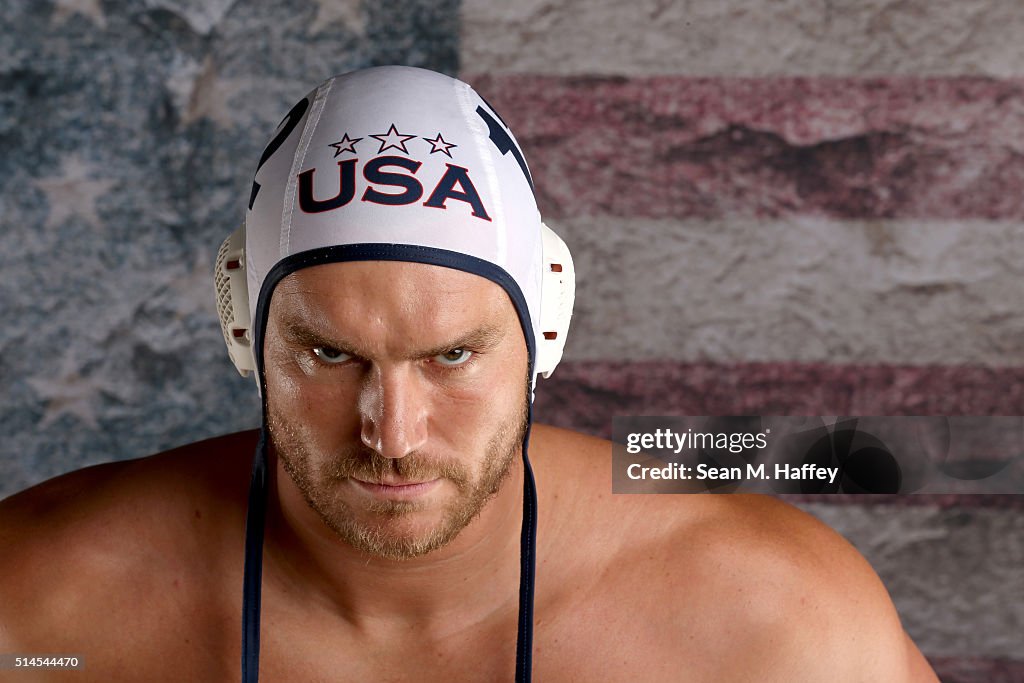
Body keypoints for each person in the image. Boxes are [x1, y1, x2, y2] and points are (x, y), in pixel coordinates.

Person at [0, 66, 938, 682]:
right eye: (332, 354)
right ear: (244, 327)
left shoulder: (774, 626)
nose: (392, 431)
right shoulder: (39, 607)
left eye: (451, 356)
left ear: (547, 327)